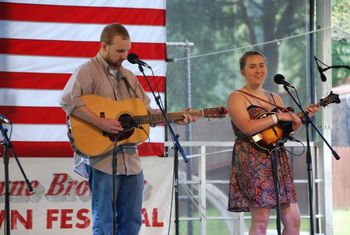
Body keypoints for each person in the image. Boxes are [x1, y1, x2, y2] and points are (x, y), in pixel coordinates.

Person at [60, 23, 195, 235]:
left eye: (127, 50)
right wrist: (101, 122)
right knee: (103, 220)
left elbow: (146, 113)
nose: (125, 55)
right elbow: (68, 100)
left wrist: (176, 118)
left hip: (131, 160)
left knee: (132, 220)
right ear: (104, 47)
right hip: (102, 160)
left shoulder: (130, 77)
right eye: (120, 51)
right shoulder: (87, 70)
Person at [227, 50, 319, 235]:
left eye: (261, 65)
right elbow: (247, 127)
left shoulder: (274, 98)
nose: (258, 70)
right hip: (252, 159)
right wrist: (277, 116)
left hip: (277, 158)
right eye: (252, 66)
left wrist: (297, 121)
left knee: (293, 220)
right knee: (261, 218)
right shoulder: (237, 97)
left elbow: (283, 132)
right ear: (242, 71)